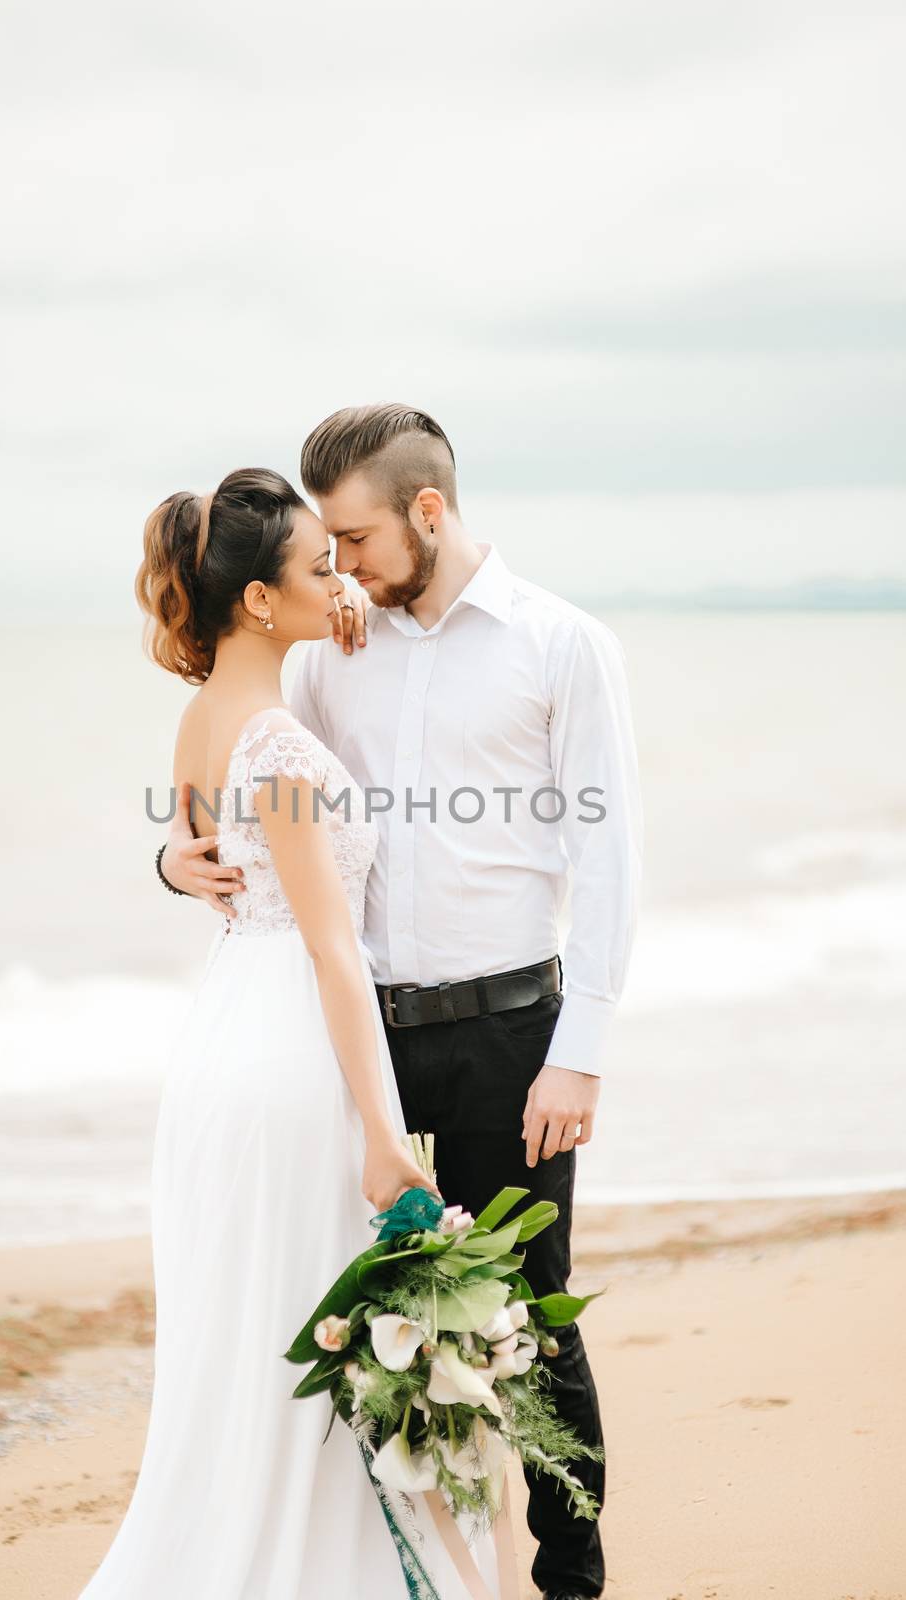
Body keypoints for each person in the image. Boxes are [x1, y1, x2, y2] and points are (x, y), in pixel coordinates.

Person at [163, 406, 644, 1600]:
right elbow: (239, 796)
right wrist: (172, 863)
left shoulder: (562, 645)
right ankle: (387, 1561)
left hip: (508, 1035)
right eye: (325, 544)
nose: (344, 566)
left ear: (427, 512)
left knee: (529, 1317)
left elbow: (614, 859)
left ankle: (569, 1575)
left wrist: (577, 1049)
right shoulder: (326, 654)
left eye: (358, 538)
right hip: (354, 1043)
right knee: (353, 1319)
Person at [79, 466, 503, 1600]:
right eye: (323, 568)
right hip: (293, 1057)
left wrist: (170, 863)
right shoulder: (286, 751)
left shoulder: (203, 719)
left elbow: (199, 856)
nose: (347, 580)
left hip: (223, 1037)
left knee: (250, 1326)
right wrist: (383, 1131)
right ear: (259, 602)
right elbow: (332, 951)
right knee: (321, 1321)